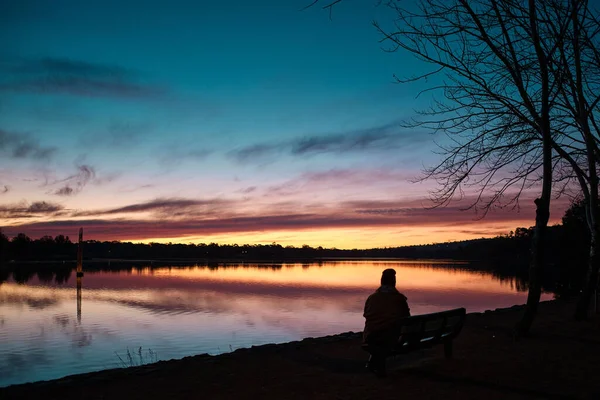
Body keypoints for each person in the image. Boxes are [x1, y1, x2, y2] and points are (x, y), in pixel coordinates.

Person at [363, 268, 410, 377]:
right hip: (391, 337)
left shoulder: (372, 298)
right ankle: (376, 366)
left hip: (371, 336)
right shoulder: (399, 298)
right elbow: (407, 318)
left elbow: (366, 315)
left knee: (379, 337)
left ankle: (374, 364)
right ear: (394, 281)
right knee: (386, 335)